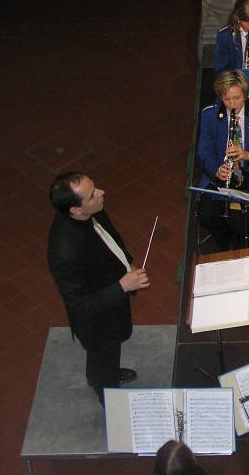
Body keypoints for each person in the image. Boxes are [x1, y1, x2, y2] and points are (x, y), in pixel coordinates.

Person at [47, 172, 149, 405]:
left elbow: (112, 238)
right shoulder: (65, 251)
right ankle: (108, 396)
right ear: (75, 210)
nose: (102, 193)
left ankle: (99, 374)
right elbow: (80, 305)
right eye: (92, 194)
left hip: (111, 307)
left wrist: (128, 262)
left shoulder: (92, 210)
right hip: (96, 323)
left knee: (107, 355)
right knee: (104, 360)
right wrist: (122, 286)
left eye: (95, 187)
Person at [196, 70, 249, 249]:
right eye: (226, 99)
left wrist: (247, 155)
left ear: (246, 94)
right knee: (206, 215)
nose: (232, 104)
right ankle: (227, 242)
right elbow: (204, 152)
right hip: (221, 172)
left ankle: (248, 243)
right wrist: (217, 169)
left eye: (237, 98)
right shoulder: (210, 115)